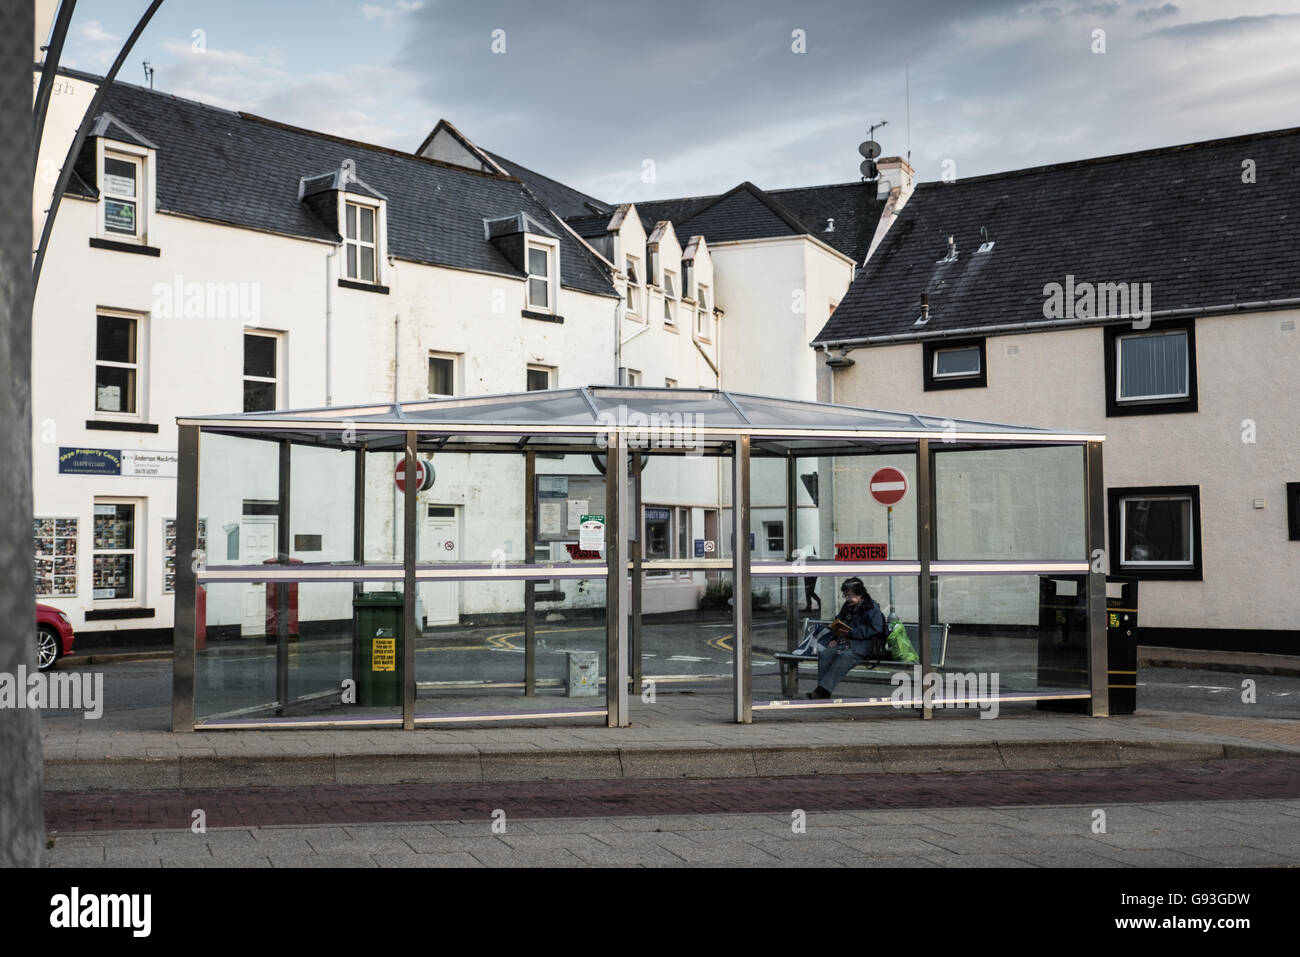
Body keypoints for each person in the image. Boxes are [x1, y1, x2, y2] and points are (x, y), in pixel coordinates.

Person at [807, 578, 884, 699]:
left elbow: (877, 628)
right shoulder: (847, 606)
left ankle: (821, 691)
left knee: (845, 657)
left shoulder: (871, 607)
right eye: (845, 595)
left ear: (859, 594)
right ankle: (823, 692)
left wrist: (852, 632)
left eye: (850, 596)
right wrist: (834, 637)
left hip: (862, 646)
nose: (847, 599)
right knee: (825, 654)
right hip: (844, 643)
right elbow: (837, 622)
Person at [800, 543, 820, 613]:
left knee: (809, 592)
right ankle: (810, 606)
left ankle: (818, 603)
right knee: (808, 592)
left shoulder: (811, 558)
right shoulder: (811, 558)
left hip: (810, 577)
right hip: (809, 576)